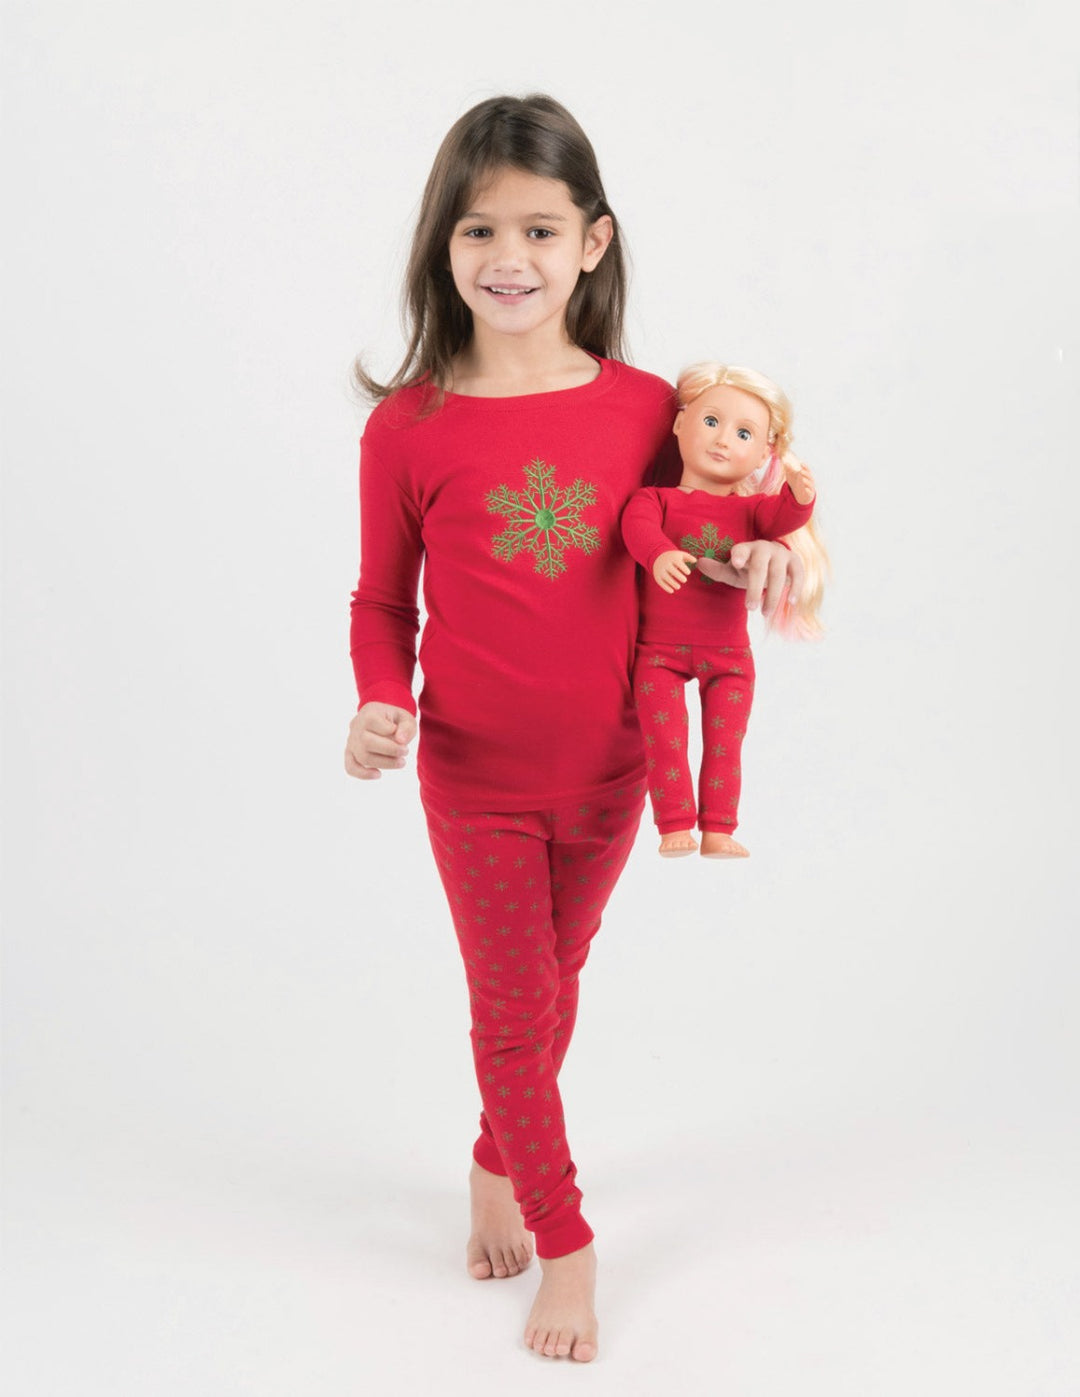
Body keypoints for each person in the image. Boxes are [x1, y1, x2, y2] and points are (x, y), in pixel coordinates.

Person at [343, 95, 803, 1363]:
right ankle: (569, 1239)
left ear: (593, 242)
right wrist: (381, 699)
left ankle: (498, 1155)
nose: (510, 257)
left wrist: (766, 560)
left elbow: (723, 527)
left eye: (540, 229)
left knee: (552, 991)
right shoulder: (408, 427)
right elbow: (382, 602)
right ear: (443, 243)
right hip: (473, 777)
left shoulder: (652, 410)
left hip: (614, 769)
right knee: (511, 1013)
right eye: (480, 228)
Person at [621, 363, 828, 860]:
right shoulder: (658, 500)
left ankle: (718, 828)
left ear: (763, 453)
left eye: (744, 433)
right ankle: (674, 825)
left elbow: (783, 516)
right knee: (666, 741)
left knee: (725, 744)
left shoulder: (751, 511)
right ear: (680, 423)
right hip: (658, 652)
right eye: (711, 421)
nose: (722, 440)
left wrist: (801, 495)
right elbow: (636, 526)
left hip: (729, 656)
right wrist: (659, 554)